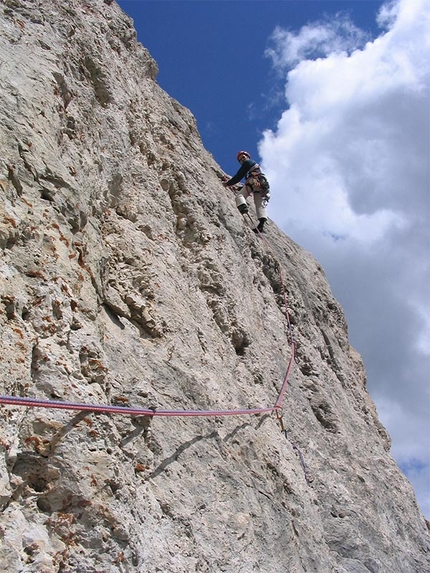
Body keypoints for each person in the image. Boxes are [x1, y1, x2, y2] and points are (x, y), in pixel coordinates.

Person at [223, 150, 270, 233]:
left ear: (247, 157)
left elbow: (238, 176)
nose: (242, 159)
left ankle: (242, 206)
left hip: (253, 181)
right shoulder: (255, 166)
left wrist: (228, 183)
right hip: (260, 184)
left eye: (243, 157)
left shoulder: (248, 163)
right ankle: (261, 225)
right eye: (241, 159)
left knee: (240, 196)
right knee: (259, 203)